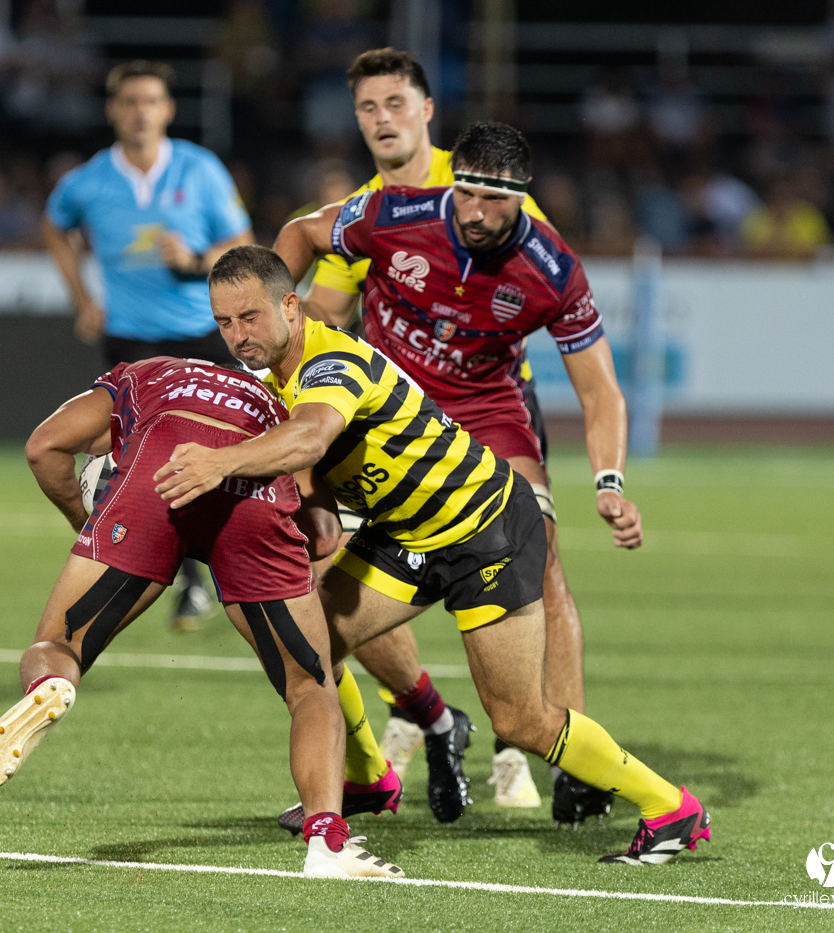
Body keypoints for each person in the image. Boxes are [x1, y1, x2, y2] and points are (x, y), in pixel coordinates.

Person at [157, 245, 711, 866]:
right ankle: (368, 781)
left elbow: (310, 434)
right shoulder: (277, 373)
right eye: (225, 322)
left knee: (520, 720)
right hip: (407, 535)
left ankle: (671, 808)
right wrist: (310, 503)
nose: (238, 336)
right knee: (307, 648)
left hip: (486, 530)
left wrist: (218, 464)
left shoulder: (331, 359)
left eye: (250, 318)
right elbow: (311, 458)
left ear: (291, 304)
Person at [0, 355, 402, 880]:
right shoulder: (284, 403)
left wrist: (88, 523)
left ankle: (53, 683)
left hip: (152, 485)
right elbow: (326, 535)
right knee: (310, 687)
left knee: (59, 644)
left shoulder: (143, 374)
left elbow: (43, 447)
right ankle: (326, 844)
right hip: (253, 498)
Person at [299, 47, 555, 822]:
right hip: (395, 424)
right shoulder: (366, 210)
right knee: (330, 572)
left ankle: (534, 750)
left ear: (426, 108)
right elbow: (320, 313)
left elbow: (541, 278)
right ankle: (424, 710)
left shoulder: (479, 178)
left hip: (491, 409)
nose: (382, 119)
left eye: (394, 104)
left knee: (544, 575)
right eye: (367, 108)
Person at [43, 59, 254, 631]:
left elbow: (241, 244)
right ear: (113, 110)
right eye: (130, 101)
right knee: (143, 460)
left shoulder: (199, 169)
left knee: (218, 454)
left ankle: (231, 563)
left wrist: (193, 262)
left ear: (168, 109)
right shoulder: (87, 181)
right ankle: (185, 579)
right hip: (131, 340)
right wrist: (80, 297)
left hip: (201, 333)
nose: (141, 111)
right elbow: (52, 225)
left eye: (151, 101)